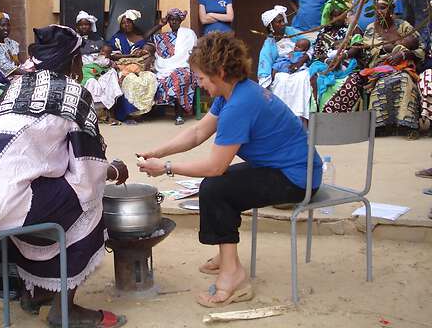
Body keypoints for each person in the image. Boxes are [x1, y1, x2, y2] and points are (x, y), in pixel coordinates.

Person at [0, 25, 129, 327]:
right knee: (88, 199)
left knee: (32, 185)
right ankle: (65, 310)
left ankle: (34, 291)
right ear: (73, 62)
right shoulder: (74, 93)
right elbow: (88, 169)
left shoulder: (15, 86)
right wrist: (112, 170)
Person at [137, 32, 322, 308]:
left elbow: (215, 166)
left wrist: (165, 168)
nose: (199, 85)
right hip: (283, 168)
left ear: (220, 72)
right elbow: (199, 131)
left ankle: (232, 274)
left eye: (200, 78)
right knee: (218, 184)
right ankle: (227, 259)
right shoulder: (233, 91)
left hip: (297, 178)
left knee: (215, 186)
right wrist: (158, 152)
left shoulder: (240, 104)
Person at [360, 0, 425, 138]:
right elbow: (367, 53)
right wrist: (386, 50)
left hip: (404, 68)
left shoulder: (404, 26)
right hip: (381, 70)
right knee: (382, 85)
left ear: (391, 9)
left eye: (383, 7)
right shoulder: (370, 29)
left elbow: (420, 46)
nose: (379, 11)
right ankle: (380, 126)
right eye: (376, 7)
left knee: (405, 81)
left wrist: (402, 53)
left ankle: (407, 125)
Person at [309, 0, 365, 112]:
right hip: (326, 66)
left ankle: (342, 117)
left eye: (340, 14)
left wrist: (342, 56)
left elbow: (357, 47)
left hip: (348, 66)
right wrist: (327, 61)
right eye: (334, 15)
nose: (337, 17)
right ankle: (320, 115)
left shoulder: (352, 29)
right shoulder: (323, 33)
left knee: (351, 82)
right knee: (315, 79)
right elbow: (317, 53)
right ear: (329, 17)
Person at [257, 5, 312, 120]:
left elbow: (310, 44)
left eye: (283, 20)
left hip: (300, 66)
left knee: (303, 77)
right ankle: (284, 117)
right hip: (282, 70)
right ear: (270, 26)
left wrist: (301, 60)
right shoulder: (269, 45)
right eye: (279, 22)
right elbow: (265, 67)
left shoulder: (292, 33)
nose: (283, 23)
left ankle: (301, 116)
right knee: (281, 80)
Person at [145, 8, 198, 125]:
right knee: (149, 78)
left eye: (176, 20)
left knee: (179, 78)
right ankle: (151, 112)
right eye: (171, 20)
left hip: (184, 66)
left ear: (180, 21)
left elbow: (192, 52)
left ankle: (179, 114)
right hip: (163, 68)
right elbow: (146, 36)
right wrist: (160, 24)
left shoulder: (188, 34)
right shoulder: (163, 36)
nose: (173, 22)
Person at [108, 10, 158, 123]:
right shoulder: (117, 38)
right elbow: (112, 56)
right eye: (124, 23)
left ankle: (141, 112)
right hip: (122, 67)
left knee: (149, 77)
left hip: (140, 66)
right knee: (130, 80)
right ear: (120, 25)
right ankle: (128, 115)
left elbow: (149, 51)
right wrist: (130, 55)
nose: (126, 25)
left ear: (133, 23)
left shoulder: (140, 38)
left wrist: (143, 53)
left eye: (129, 22)